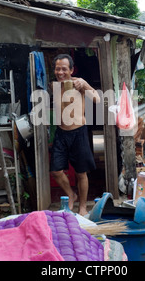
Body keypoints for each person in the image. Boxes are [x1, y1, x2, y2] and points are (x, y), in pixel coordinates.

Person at [50, 54, 100, 215]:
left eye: (64, 69)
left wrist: (85, 84)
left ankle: (83, 206)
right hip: (61, 134)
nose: (60, 72)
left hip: (79, 133)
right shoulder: (54, 86)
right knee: (56, 171)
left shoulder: (78, 83)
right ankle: (71, 194)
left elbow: (97, 99)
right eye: (58, 69)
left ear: (71, 70)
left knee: (81, 173)